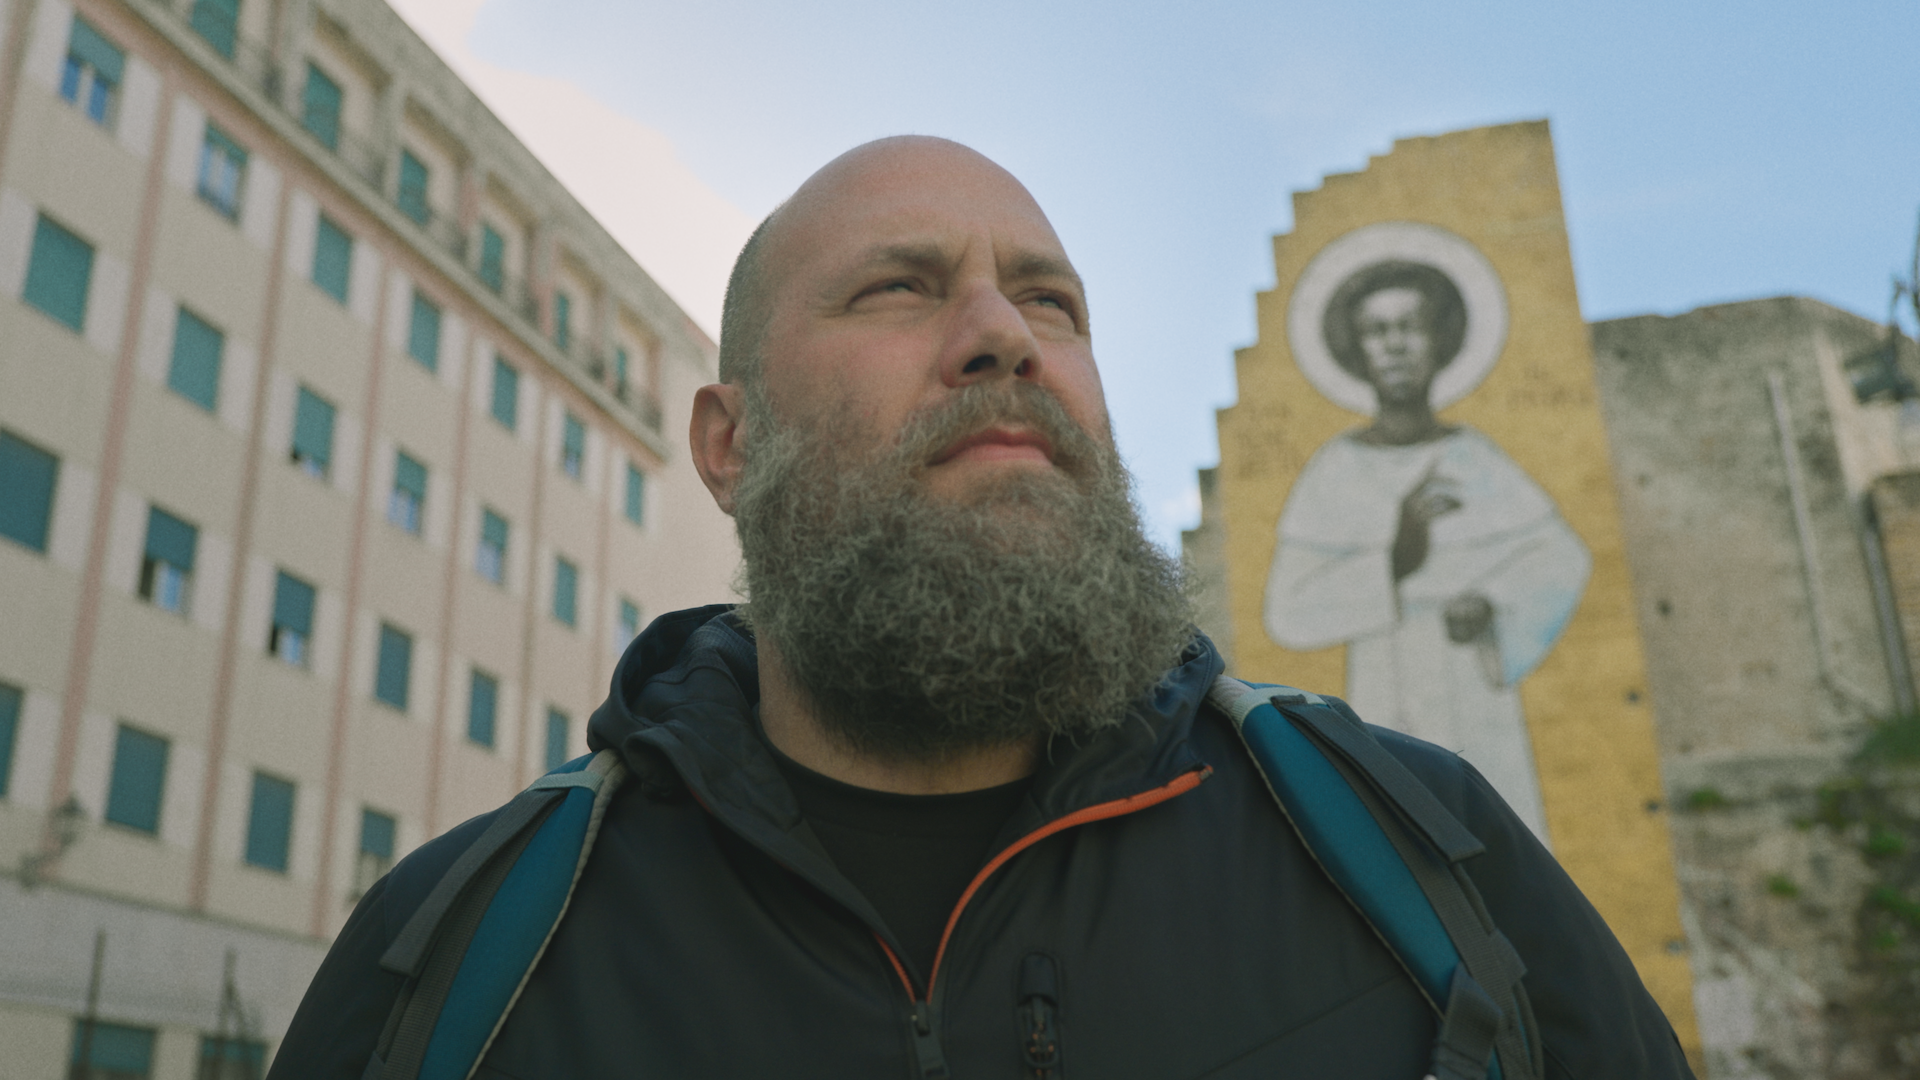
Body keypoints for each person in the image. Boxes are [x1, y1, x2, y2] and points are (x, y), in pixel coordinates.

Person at [269, 137, 1688, 1078]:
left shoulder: (1422, 859)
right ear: (730, 443)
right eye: (900, 288)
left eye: (1050, 303)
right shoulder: (464, 959)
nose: (1005, 334)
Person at [1263, 260, 1590, 842]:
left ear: (1440, 340)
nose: (1395, 345)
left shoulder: (1478, 458)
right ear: (1356, 349)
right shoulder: (1335, 470)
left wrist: (1490, 604)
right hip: (1384, 692)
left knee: (1502, 848)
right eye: (1376, 330)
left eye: (1410, 326)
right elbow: (1287, 612)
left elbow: (1562, 558)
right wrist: (1394, 561)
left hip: (1478, 695)